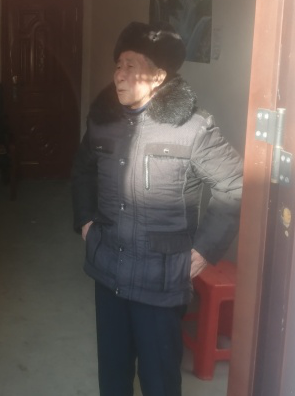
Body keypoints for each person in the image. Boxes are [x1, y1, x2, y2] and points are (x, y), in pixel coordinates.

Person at [71, 22, 243, 396]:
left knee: (159, 379)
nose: (119, 75)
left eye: (131, 66)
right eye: (118, 65)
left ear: (159, 76)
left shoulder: (193, 128)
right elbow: (83, 168)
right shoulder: (103, 121)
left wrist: (204, 251)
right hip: (109, 269)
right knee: (113, 375)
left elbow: (234, 184)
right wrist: (85, 220)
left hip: (161, 279)